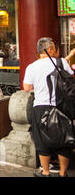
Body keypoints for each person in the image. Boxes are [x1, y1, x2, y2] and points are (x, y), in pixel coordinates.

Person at [23, 37, 73, 177]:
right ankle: (63, 173)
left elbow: (27, 87)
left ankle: (45, 172)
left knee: (41, 140)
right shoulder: (62, 62)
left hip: (41, 107)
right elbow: (69, 78)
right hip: (62, 107)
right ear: (49, 49)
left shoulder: (32, 66)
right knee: (64, 140)